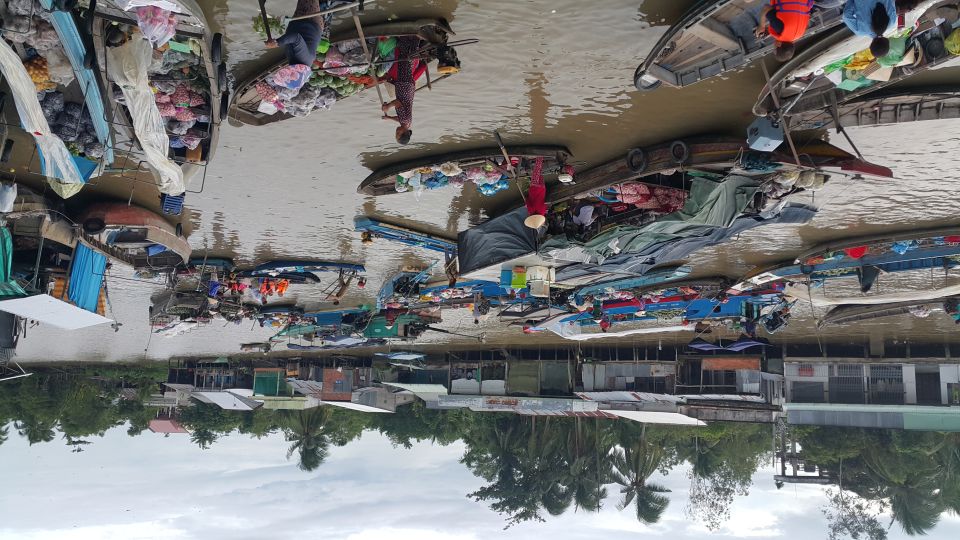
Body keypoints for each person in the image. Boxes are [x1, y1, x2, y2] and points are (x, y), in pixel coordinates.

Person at [381, 37, 424, 145]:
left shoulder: (406, 123)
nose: (396, 132)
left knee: (407, 62)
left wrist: (389, 118)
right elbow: (397, 103)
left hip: (407, 87)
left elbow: (398, 119)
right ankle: (410, 39)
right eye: (398, 134)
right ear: (403, 133)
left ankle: (414, 41)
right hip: (404, 85)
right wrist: (388, 106)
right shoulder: (405, 121)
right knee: (404, 60)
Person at [264, 0, 325, 67]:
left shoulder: (299, 63)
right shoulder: (302, 59)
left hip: (302, 23)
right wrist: (277, 43)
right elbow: (296, 37)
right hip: (308, 20)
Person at [523, 157, 548, 229]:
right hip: (534, 188)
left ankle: (540, 159)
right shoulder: (531, 211)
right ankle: (540, 156)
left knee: (539, 172)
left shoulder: (543, 211)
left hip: (542, 189)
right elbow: (527, 200)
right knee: (536, 170)